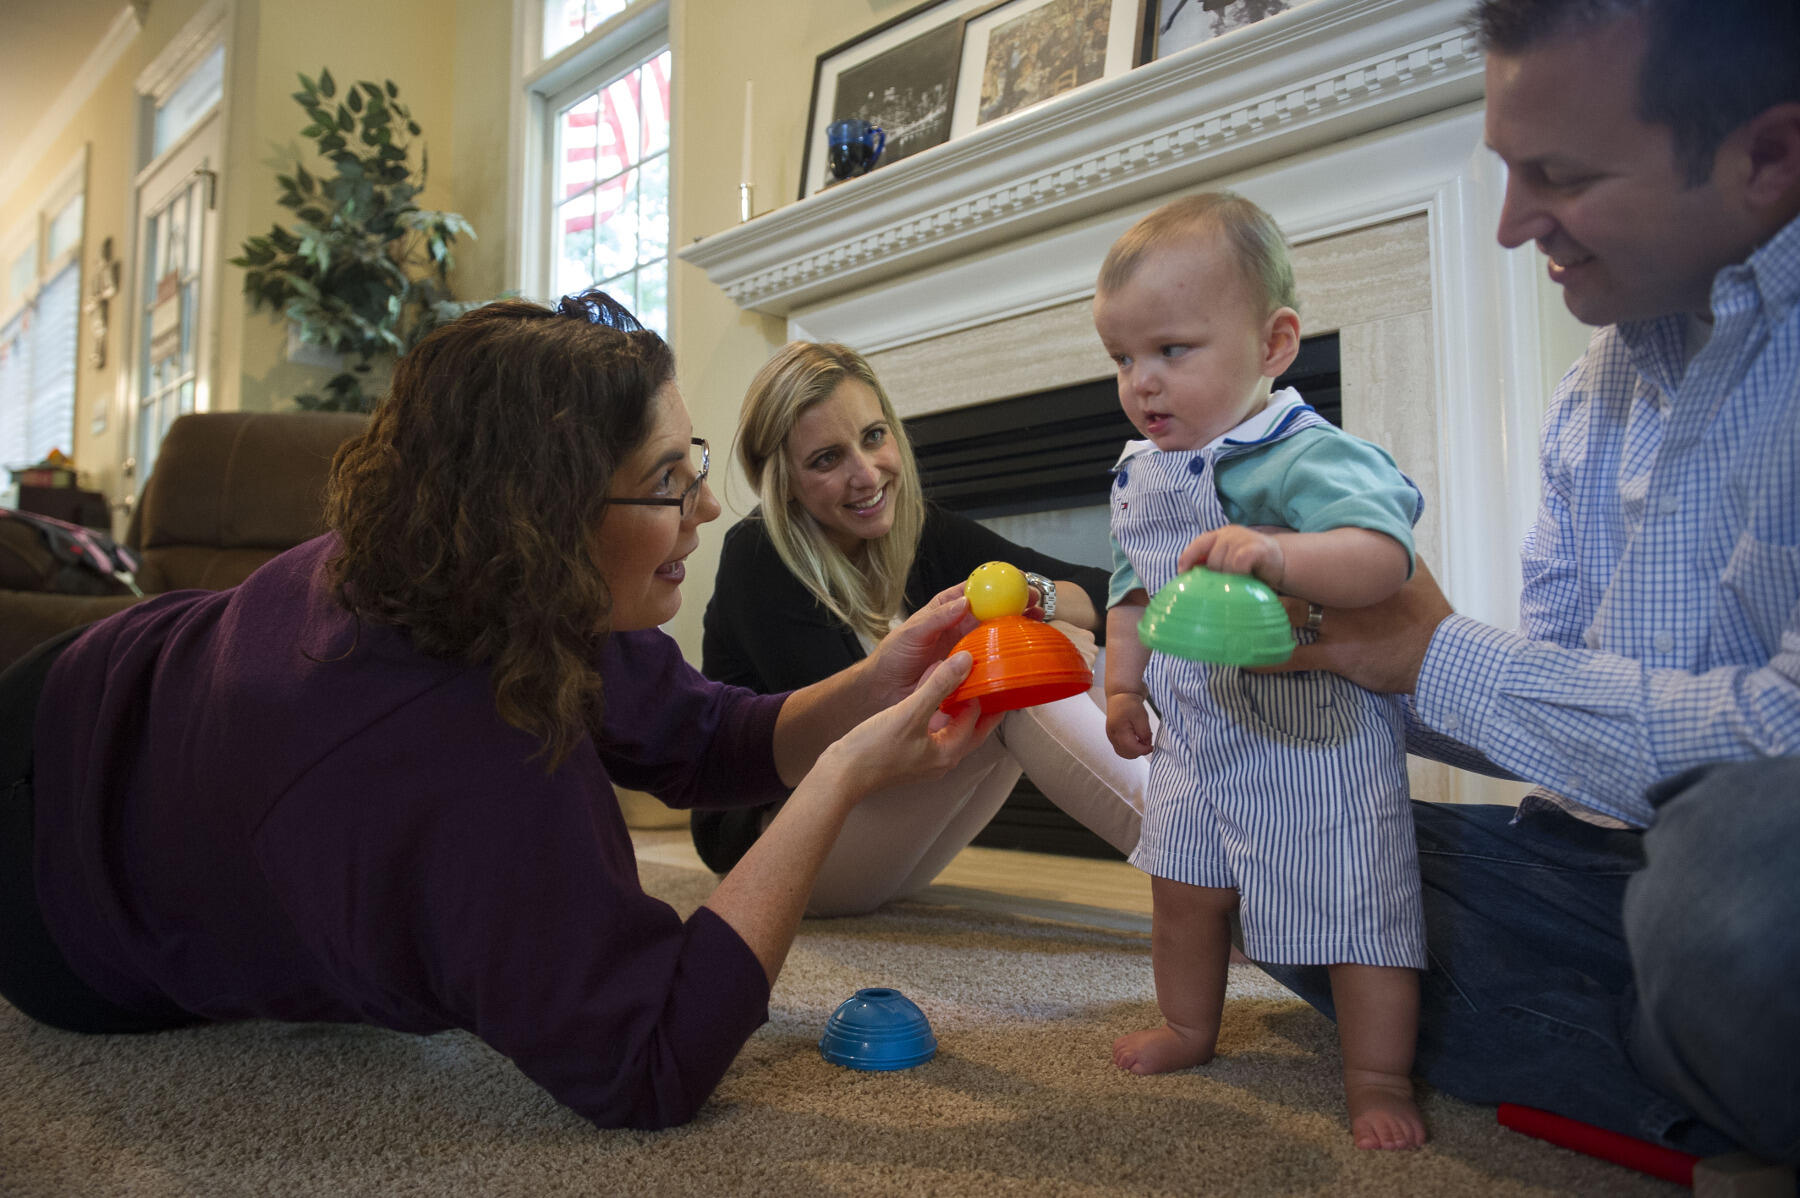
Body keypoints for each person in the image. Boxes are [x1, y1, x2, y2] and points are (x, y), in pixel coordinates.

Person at [0, 291, 1002, 1131]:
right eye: (667, 481)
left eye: (690, 461)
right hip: (50, 891)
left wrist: (873, 684)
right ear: (548, 515)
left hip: (96, 675)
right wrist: (837, 782)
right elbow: (649, 1061)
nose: (706, 506)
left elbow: (703, 737)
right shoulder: (471, 757)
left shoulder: (491, 564)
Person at [1227, 0, 1800, 1164]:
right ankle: (1707, 1081)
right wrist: (1360, 657)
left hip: (1753, 869)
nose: (1509, 224)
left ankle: (1685, 1058)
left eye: (1562, 176)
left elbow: (1779, 741)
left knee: (1730, 893)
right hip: (1614, 869)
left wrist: (1439, 653)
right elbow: (1566, 713)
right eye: (1506, 168)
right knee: (1284, 864)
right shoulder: (1598, 389)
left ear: (1769, 157)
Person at [1095, 193, 1431, 1151]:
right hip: (1197, 742)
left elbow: (1385, 555)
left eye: (1172, 350)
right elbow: (1131, 591)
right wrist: (1121, 686)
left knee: (1361, 912)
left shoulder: (1305, 453)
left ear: (1274, 344)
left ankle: (1377, 1074)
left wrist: (1283, 555)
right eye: (1122, 358)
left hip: (1317, 748)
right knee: (1182, 892)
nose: (1143, 383)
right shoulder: (1142, 472)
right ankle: (1188, 1025)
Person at [692, 340, 1147, 915]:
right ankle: (1206, 870)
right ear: (783, 481)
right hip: (780, 851)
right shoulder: (758, 555)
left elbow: (1111, 593)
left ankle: (1225, 832)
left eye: (873, 436)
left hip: (885, 844)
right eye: (826, 460)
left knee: (1096, 664)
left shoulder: (919, 531)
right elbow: (858, 740)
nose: (866, 474)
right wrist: (1029, 644)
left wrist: (1039, 603)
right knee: (1011, 684)